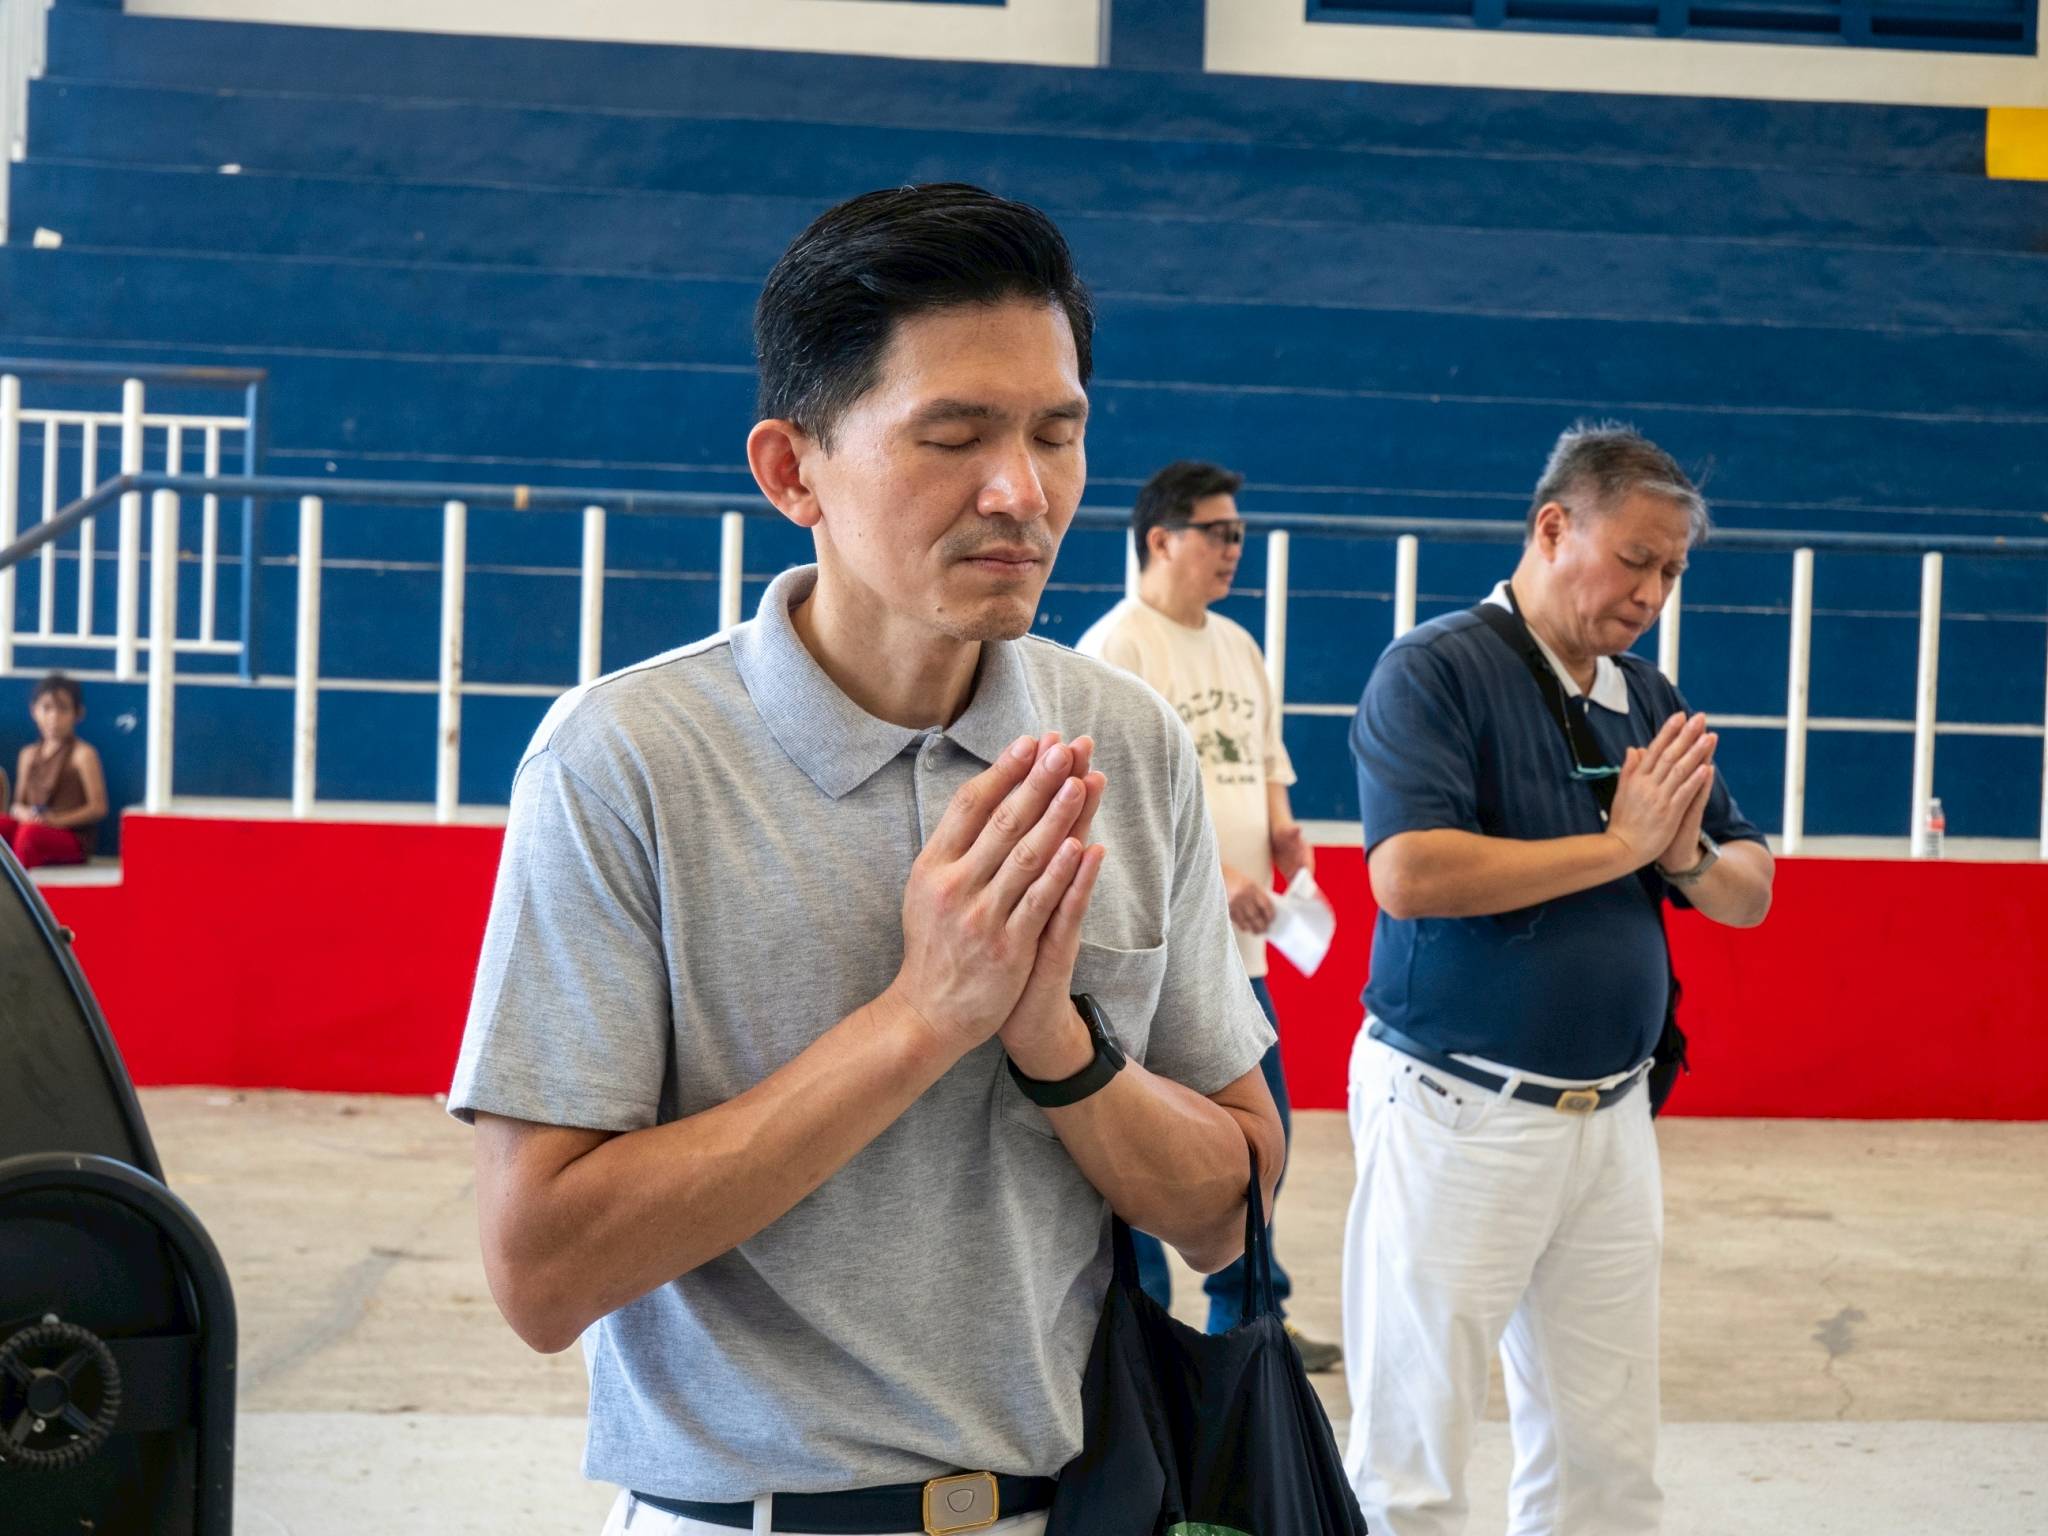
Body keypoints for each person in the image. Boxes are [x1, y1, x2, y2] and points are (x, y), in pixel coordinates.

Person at [448, 183, 1285, 1536]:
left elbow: (1233, 1200)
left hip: (1067, 1508)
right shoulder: (629, 761)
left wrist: (1057, 1045)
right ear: (793, 473)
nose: (1019, 491)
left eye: (1056, 436)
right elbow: (542, 1273)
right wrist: (921, 1018)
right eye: (951, 436)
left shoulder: (1117, 743)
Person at [1343, 422, 1775, 1536]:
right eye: (1635, 558)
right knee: (1415, 1457)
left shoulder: (1645, 695)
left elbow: (1747, 888)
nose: (1652, 590)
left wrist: (1676, 854)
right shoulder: (1434, 670)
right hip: (1457, 1108)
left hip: (1609, 1117)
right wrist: (1624, 849)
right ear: (1551, 527)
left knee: (1606, 1460)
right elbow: (1408, 873)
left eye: (1672, 570)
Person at [1076, 459, 1340, 1372]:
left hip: (1246, 953)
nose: (1235, 549)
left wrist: (1281, 832)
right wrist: (1215, 875)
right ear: (1161, 538)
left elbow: (1264, 759)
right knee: (1133, 1143)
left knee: (1260, 1139)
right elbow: (1116, 801)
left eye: (1238, 534)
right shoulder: (1115, 650)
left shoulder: (1239, 645)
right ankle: (1135, 1326)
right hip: (1151, 950)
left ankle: (1251, 1318)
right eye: (1218, 532)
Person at [2, 673, 108, 869]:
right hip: (34, 825)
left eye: (63, 709)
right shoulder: (28, 754)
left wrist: (55, 821)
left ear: (78, 714)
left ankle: (22, 895)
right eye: (46, 708)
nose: (54, 717)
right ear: (34, 711)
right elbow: (17, 805)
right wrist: (26, 813)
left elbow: (98, 808)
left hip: (70, 837)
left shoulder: (83, 754)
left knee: (29, 835)